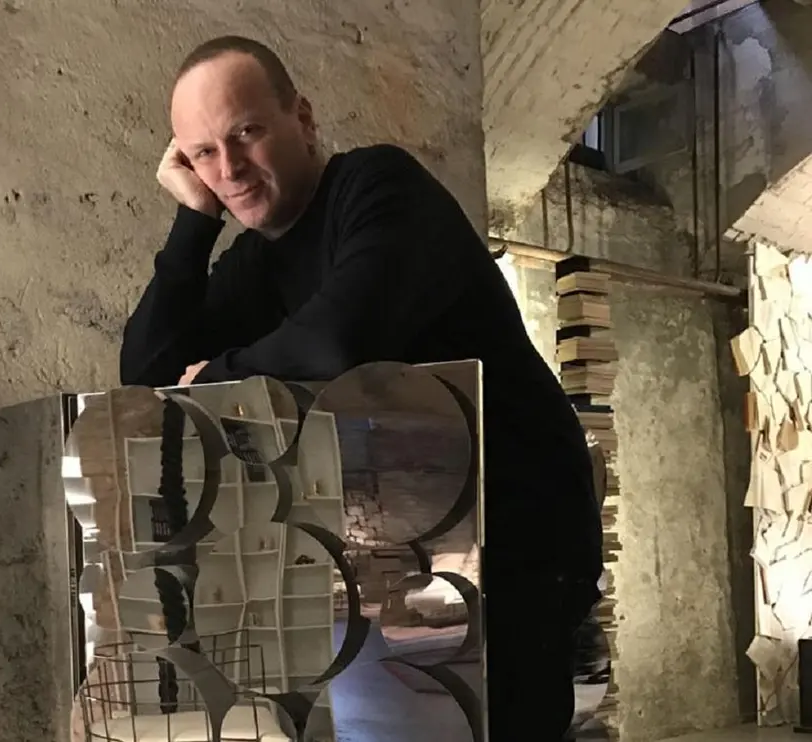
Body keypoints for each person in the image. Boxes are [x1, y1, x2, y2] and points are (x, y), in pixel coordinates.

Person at [119, 35, 603, 741]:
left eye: (245, 133)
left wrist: (218, 375)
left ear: (302, 118)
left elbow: (339, 344)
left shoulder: (380, 188)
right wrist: (195, 219)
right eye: (203, 153)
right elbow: (148, 377)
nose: (228, 168)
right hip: (409, 554)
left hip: (517, 541)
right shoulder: (259, 258)